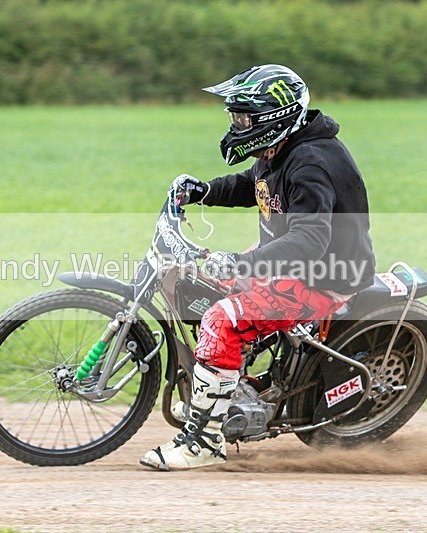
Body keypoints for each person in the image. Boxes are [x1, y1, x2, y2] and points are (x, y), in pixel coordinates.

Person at [140, 64, 376, 471]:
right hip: (289, 260)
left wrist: (242, 262)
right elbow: (255, 185)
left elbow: (309, 240)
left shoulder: (311, 164)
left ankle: (205, 441)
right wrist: (204, 191)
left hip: (322, 275)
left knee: (222, 319)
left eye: (244, 117)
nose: (237, 124)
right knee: (200, 281)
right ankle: (229, 380)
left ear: (273, 117)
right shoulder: (282, 149)